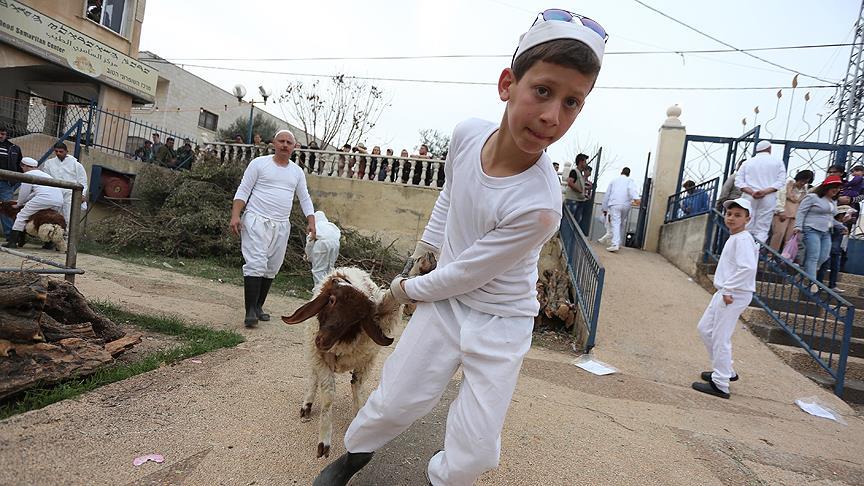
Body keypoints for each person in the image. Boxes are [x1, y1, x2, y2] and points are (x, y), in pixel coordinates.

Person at [312, 9, 606, 485]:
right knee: (396, 398)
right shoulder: (468, 135)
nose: (553, 116)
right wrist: (424, 248)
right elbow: (451, 193)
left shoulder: (540, 204)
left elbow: (468, 272)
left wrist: (401, 290)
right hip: (445, 305)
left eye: (572, 102)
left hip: (500, 320)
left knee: (476, 447)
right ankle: (352, 459)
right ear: (507, 83)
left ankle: (441, 479)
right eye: (544, 91)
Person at [230, 129, 316, 328]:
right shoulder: (259, 164)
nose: (285, 145)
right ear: (274, 143)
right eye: (281, 141)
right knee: (256, 262)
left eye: (289, 142)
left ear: (294, 147)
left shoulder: (296, 172)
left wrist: (311, 221)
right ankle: (250, 311)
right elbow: (243, 189)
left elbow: (304, 198)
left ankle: (259, 306)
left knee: (271, 267)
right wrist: (235, 215)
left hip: (281, 225)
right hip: (255, 220)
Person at [692, 197, 757, 399]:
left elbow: (747, 268)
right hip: (727, 291)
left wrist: (728, 290)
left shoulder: (743, 239)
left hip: (733, 293)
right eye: (729, 214)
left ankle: (721, 383)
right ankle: (726, 371)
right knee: (704, 329)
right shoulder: (737, 237)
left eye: (738, 215)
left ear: (748, 218)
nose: (731, 218)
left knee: (721, 337)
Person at [3, 157, 64, 248]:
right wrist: (23, 201)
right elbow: (34, 193)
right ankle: (49, 244)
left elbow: (24, 193)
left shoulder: (28, 175)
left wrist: (19, 204)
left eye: (22, 167)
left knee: (21, 216)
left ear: (24, 166)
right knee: (49, 219)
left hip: (44, 198)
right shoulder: (44, 175)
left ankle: (12, 242)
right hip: (59, 200)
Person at [734, 140, 786, 242]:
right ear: (769, 149)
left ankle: (743, 248)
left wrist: (751, 192)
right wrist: (765, 192)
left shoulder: (747, 162)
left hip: (749, 197)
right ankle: (755, 251)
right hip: (768, 197)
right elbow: (781, 182)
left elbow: (738, 182)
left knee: (746, 223)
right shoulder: (778, 162)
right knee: (762, 228)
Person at [794, 175, 842, 283]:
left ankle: (803, 273)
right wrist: (798, 226)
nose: (837, 190)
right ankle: (812, 283)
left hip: (826, 232)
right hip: (811, 229)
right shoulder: (812, 197)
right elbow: (801, 212)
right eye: (834, 186)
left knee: (824, 256)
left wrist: (840, 226)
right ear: (826, 187)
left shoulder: (833, 201)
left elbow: (830, 218)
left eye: (839, 187)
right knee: (813, 256)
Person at [41, 141, 88, 229]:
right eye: (56, 151)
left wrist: (82, 194)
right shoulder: (49, 163)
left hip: (69, 194)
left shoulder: (76, 165)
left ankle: (66, 239)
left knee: (68, 216)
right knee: (52, 216)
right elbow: (46, 179)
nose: (58, 153)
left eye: (61, 151)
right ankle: (51, 238)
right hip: (54, 192)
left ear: (66, 151)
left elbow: (82, 181)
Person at [769, 170, 813, 252]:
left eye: (806, 181)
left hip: (795, 215)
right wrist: (780, 210)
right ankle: (771, 255)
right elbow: (779, 198)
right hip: (782, 213)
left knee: (790, 238)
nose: (803, 183)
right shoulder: (787, 186)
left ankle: (786, 257)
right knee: (778, 234)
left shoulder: (805, 191)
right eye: (802, 180)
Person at [601, 167, 640, 252]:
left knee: (616, 223)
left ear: (621, 172)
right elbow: (631, 190)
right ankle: (619, 242)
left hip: (614, 204)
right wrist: (636, 198)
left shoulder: (614, 181)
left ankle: (615, 243)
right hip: (626, 204)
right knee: (622, 223)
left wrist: (604, 208)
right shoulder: (630, 181)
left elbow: (607, 195)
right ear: (629, 174)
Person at [816, 206, 851, 292]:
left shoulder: (842, 225)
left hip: (837, 250)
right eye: (844, 215)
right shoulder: (833, 224)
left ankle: (832, 285)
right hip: (829, 249)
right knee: (824, 266)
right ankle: (819, 284)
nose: (847, 217)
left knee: (835, 268)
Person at [305, 210, 341, 288]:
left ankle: (319, 291)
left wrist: (309, 256)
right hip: (335, 243)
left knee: (318, 270)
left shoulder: (316, 226)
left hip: (322, 243)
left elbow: (310, 242)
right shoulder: (331, 225)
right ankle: (330, 289)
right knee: (330, 268)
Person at [0, 126, 23, 244]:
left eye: (3, 134)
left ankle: (10, 236)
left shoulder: (14, 148)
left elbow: (20, 167)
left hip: (6, 183)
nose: (1, 136)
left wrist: (13, 182)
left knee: (6, 209)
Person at [564, 153, 589, 222]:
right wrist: (580, 190)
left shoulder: (580, 173)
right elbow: (570, 182)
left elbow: (581, 184)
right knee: (569, 220)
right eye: (585, 161)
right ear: (581, 162)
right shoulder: (574, 171)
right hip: (572, 199)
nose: (586, 164)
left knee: (576, 221)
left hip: (579, 200)